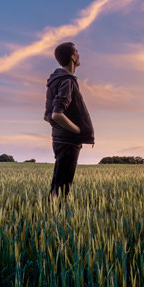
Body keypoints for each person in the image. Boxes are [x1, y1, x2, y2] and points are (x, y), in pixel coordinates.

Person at [44, 42, 94, 201]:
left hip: (59, 139)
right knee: (63, 187)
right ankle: (55, 220)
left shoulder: (54, 81)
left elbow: (47, 115)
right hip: (68, 140)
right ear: (73, 57)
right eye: (77, 52)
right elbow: (56, 114)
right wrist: (77, 130)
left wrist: (59, 129)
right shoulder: (67, 81)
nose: (79, 55)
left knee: (58, 183)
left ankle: (50, 215)